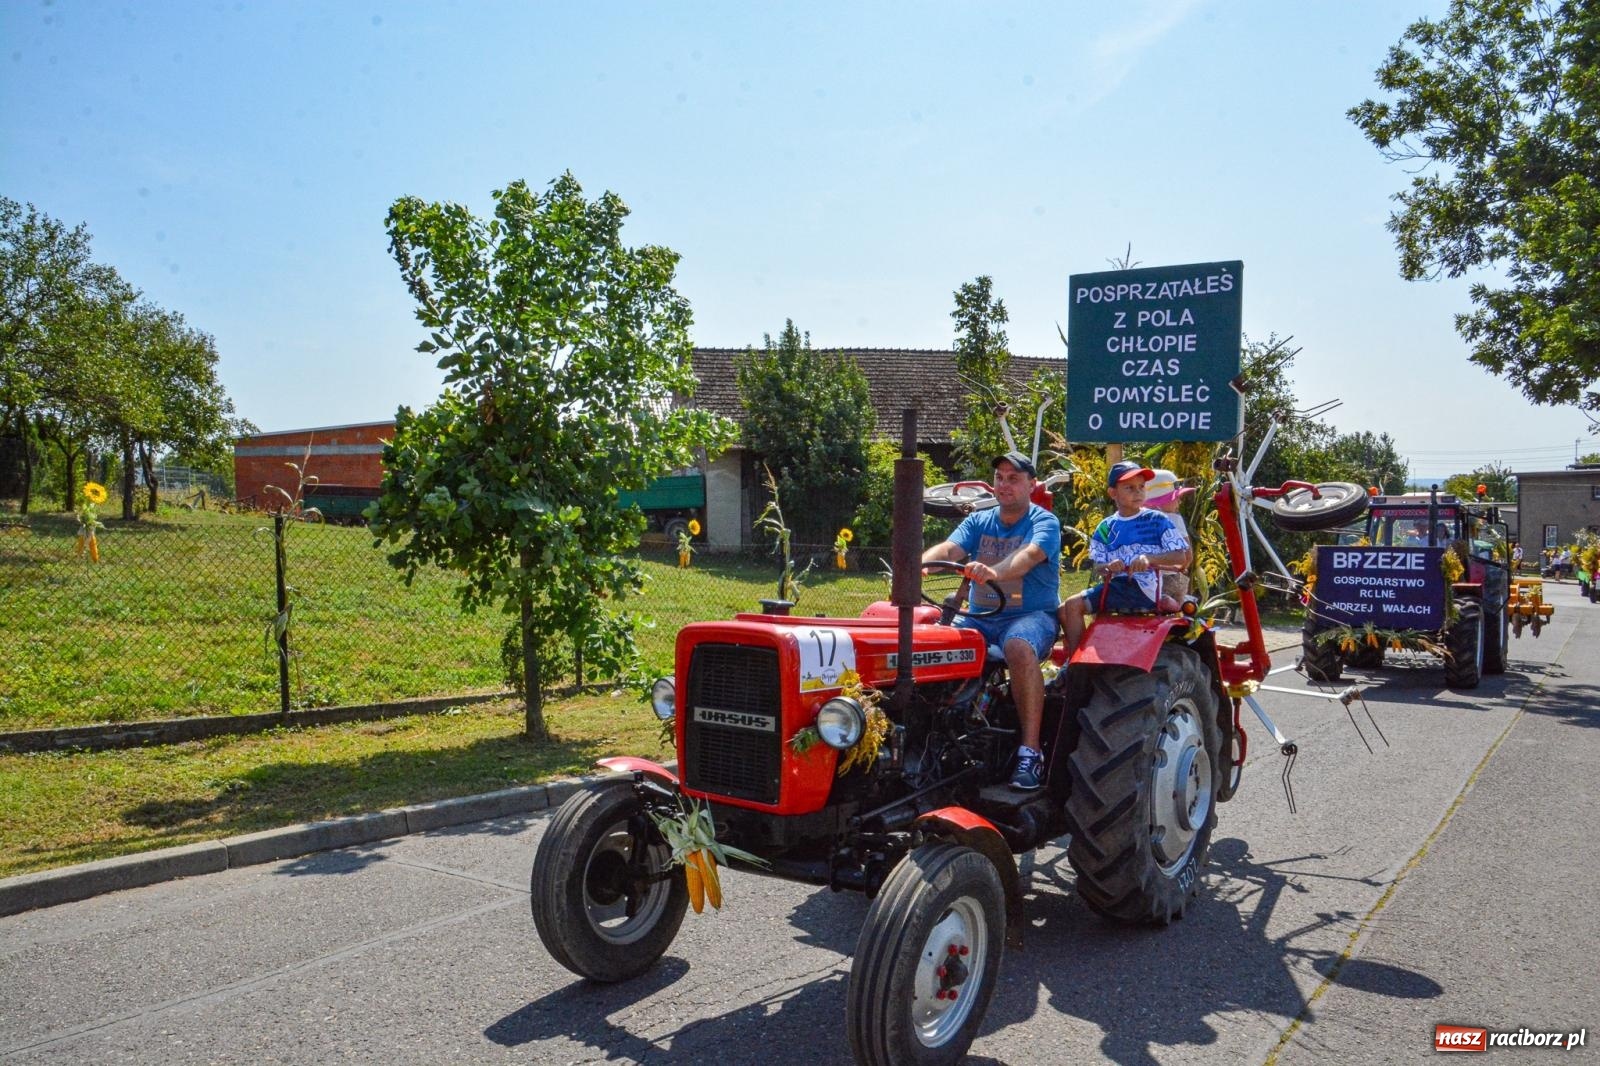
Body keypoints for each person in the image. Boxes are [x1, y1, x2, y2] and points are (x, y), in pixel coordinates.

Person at [922, 451, 1061, 791]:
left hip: (1031, 616)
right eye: (1000, 477)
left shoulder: (1044, 522)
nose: (1004, 484)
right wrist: (919, 563)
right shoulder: (979, 521)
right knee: (931, 644)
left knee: (1018, 645)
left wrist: (993, 572)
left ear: (1031, 484)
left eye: (1014, 478)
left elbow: (1027, 557)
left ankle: (1031, 752)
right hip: (979, 619)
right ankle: (929, 739)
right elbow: (949, 549)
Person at [1059, 461, 1192, 658]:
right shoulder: (1106, 527)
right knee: (1066, 608)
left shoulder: (1157, 520)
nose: (1138, 492)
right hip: (1115, 588)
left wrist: (1149, 559)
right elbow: (1098, 566)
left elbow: (1180, 556)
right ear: (1113, 493)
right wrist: (1109, 566)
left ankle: (1077, 663)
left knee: (1072, 605)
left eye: (1141, 487)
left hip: (1143, 590)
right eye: (1129, 488)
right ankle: (1079, 659)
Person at [1143, 468, 1195, 611]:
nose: (1179, 501)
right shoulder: (1175, 520)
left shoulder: (1139, 520)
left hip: (1144, 580)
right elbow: (1188, 556)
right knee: (1177, 610)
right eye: (1175, 497)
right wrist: (1182, 568)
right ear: (1160, 501)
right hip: (1169, 579)